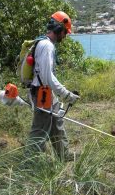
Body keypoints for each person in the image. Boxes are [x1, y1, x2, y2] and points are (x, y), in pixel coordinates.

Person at [27, 11, 79, 161]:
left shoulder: (45, 44)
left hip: (47, 92)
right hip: (42, 93)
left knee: (57, 122)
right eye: (65, 32)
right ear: (59, 29)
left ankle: (64, 154)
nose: (65, 36)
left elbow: (47, 77)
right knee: (40, 130)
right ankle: (29, 163)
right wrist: (67, 95)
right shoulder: (46, 46)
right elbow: (47, 78)